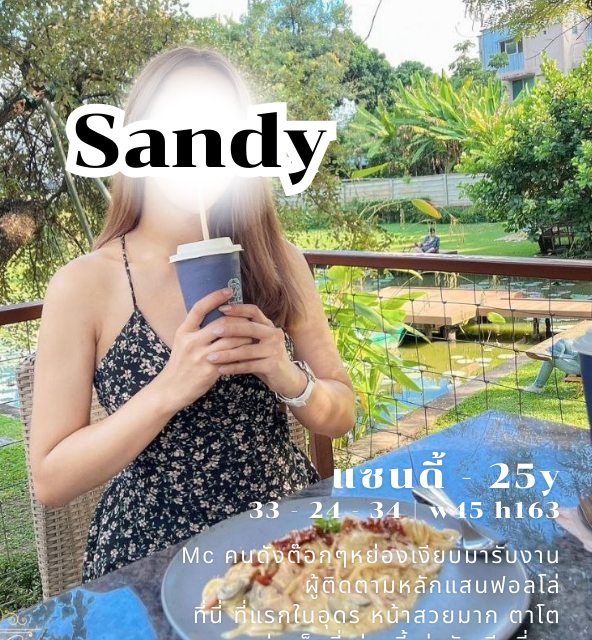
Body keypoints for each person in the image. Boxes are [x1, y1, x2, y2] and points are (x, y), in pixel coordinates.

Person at [30, 46, 356, 582]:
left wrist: (287, 374)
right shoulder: (84, 285)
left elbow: (341, 414)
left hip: (285, 540)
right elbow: (51, 477)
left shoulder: (278, 261)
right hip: (153, 559)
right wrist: (169, 388)